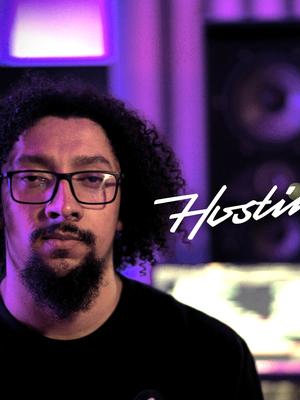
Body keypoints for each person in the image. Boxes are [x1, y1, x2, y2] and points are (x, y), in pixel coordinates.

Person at [0, 75, 264, 400]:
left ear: (125, 207)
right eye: (33, 178)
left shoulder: (212, 357)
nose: (62, 206)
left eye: (92, 179)